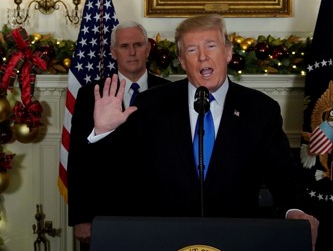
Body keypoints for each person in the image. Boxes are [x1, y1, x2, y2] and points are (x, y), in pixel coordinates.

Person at [91, 14, 319, 247]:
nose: (202, 57)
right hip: (165, 238)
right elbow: (121, 175)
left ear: (228, 52)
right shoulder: (151, 105)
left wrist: (295, 212)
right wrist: (104, 132)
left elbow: (284, 176)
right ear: (181, 60)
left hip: (238, 239)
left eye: (211, 46)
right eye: (192, 50)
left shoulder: (260, 110)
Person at [66, 21, 169, 249]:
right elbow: (78, 159)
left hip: (157, 213)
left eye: (137, 45)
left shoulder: (169, 93)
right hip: (104, 213)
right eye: (124, 46)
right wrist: (81, 217)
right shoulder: (91, 94)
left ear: (148, 49)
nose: (132, 52)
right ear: (113, 52)